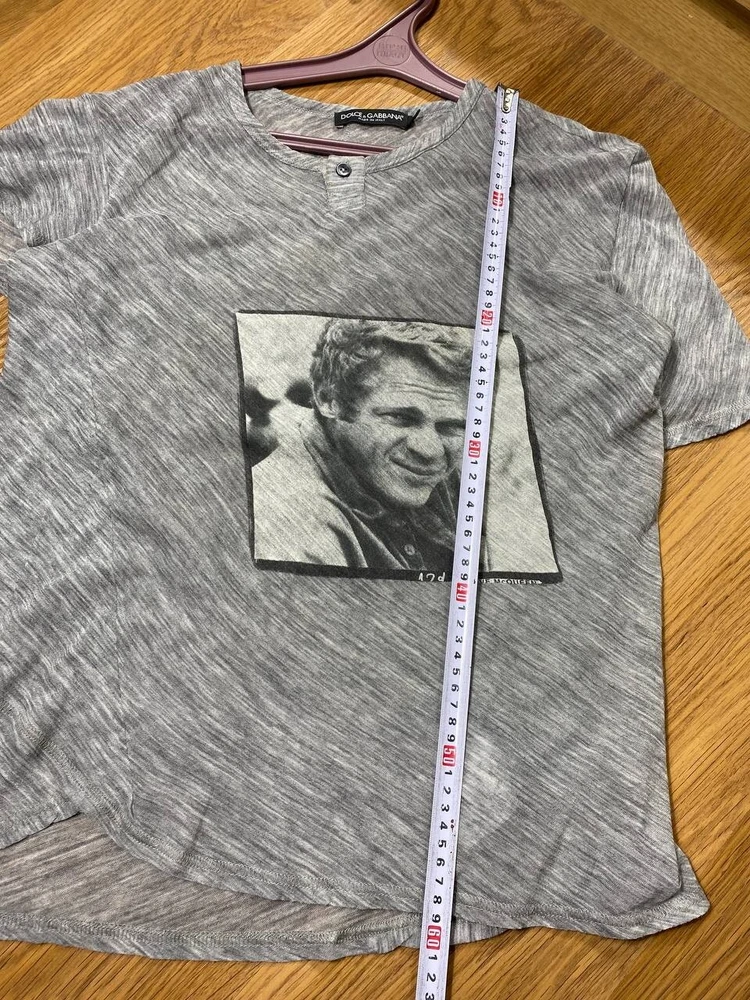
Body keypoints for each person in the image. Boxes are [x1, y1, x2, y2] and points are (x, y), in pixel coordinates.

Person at [249, 317, 473, 572]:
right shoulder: (293, 524)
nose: (430, 451)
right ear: (329, 400)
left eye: (451, 426)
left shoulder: (440, 473)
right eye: (400, 418)